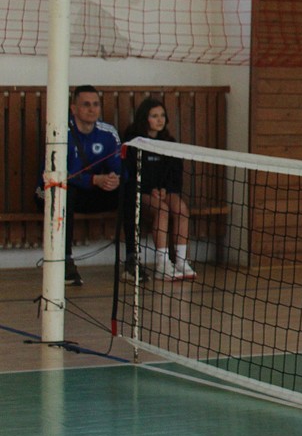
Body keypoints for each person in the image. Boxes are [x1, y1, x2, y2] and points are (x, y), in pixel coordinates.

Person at [36, 85, 124, 286]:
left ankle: (131, 260)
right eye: (86, 105)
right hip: (49, 193)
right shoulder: (60, 131)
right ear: (74, 108)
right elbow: (57, 174)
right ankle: (65, 261)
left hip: (90, 193)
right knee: (63, 193)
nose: (92, 109)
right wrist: (93, 180)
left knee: (127, 191)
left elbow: (121, 169)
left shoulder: (108, 133)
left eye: (95, 104)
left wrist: (115, 179)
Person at [121, 98, 195, 282]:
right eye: (154, 116)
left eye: (162, 115)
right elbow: (129, 174)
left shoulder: (169, 142)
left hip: (163, 191)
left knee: (181, 209)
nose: (159, 119)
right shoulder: (133, 142)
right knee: (162, 210)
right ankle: (162, 264)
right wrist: (149, 190)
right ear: (144, 118)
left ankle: (181, 261)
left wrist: (165, 189)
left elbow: (175, 174)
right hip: (140, 193)